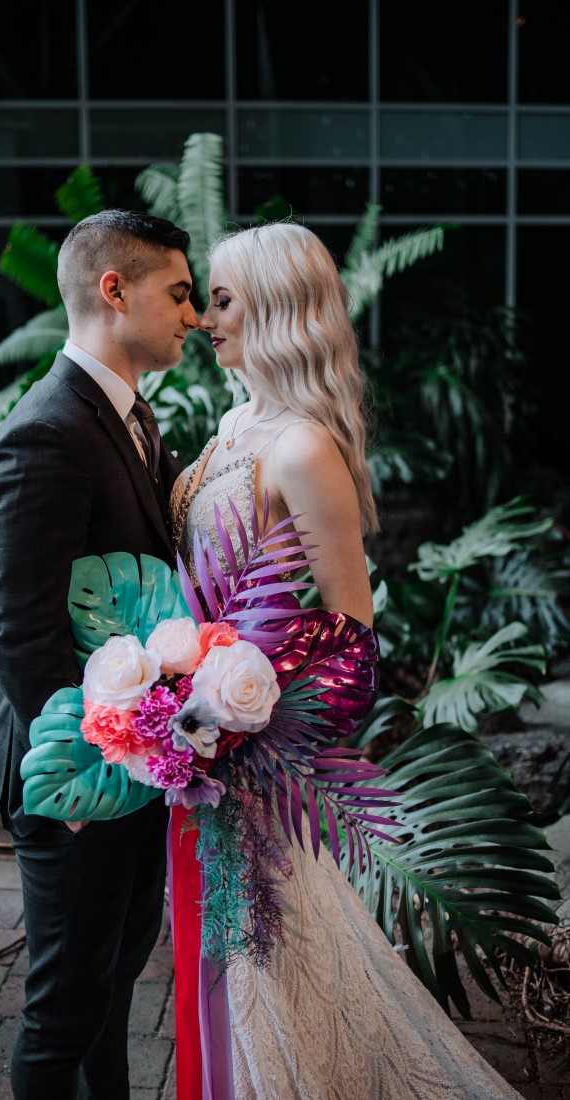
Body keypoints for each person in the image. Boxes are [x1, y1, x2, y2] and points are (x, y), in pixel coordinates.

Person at [168, 222, 521, 1099]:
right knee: (222, 957)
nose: (205, 318)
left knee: (271, 959)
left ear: (279, 307)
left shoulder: (301, 445)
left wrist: (243, 724)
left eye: (221, 298)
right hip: (191, 744)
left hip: (252, 761)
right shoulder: (233, 422)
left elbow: (350, 637)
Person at [0, 209, 198, 1099]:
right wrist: (76, 774)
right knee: (64, 1005)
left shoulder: (129, 418)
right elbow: (24, 632)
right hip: (72, 771)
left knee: (112, 986)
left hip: (131, 766)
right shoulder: (46, 433)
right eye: (179, 293)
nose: (192, 315)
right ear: (115, 290)